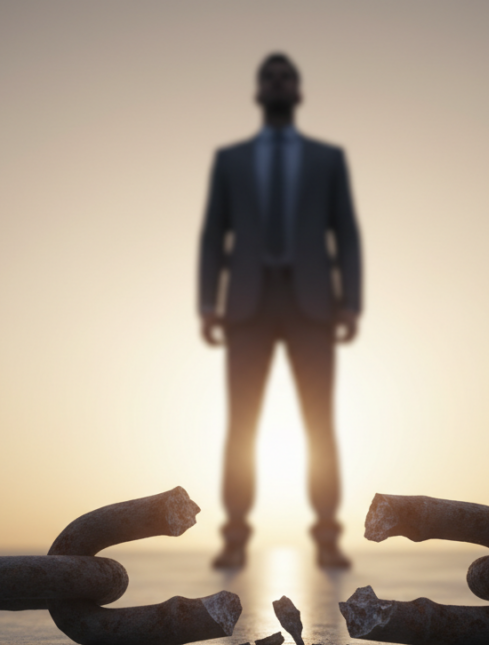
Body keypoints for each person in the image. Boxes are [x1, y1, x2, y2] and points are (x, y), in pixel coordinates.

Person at [198, 53, 362, 569]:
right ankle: (235, 536)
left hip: (311, 304)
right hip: (247, 305)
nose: (276, 83)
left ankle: (328, 536)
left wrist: (351, 302)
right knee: (241, 424)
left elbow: (345, 231)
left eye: (285, 77)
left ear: (299, 92)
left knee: (320, 422)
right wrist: (208, 302)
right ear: (257, 91)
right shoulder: (230, 160)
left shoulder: (328, 158)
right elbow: (213, 233)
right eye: (268, 77)